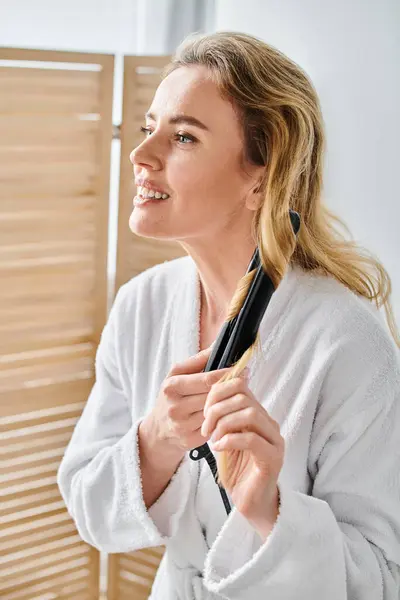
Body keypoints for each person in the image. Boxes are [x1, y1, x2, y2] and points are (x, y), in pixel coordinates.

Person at [57, 31, 400, 599]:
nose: (141, 156)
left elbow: (383, 582)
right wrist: (156, 440)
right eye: (149, 130)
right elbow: (91, 513)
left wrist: (269, 510)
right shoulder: (140, 306)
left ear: (261, 176)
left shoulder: (347, 342)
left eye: (184, 136)